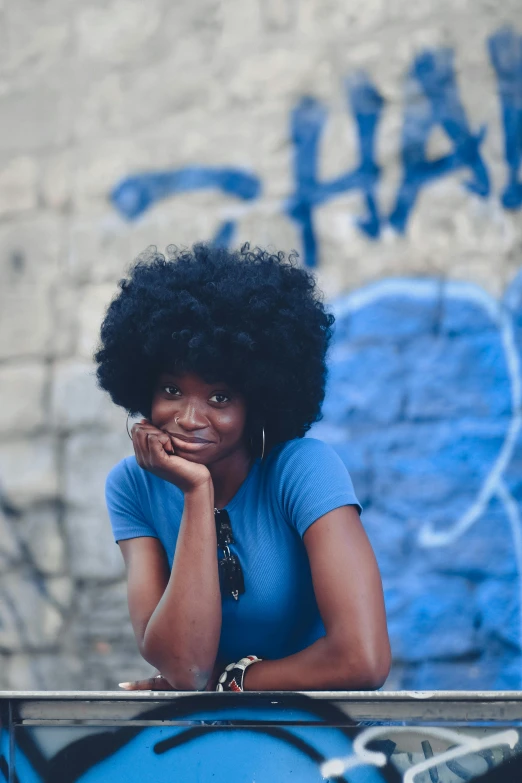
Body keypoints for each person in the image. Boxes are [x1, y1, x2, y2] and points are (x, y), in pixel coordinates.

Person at [95, 243, 391, 692]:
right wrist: (197, 494)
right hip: (196, 749)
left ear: (257, 402)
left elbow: (362, 659)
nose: (190, 418)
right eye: (172, 389)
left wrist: (231, 682)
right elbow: (184, 667)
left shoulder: (303, 471)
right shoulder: (133, 485)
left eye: (220, 397)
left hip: (319, 743)